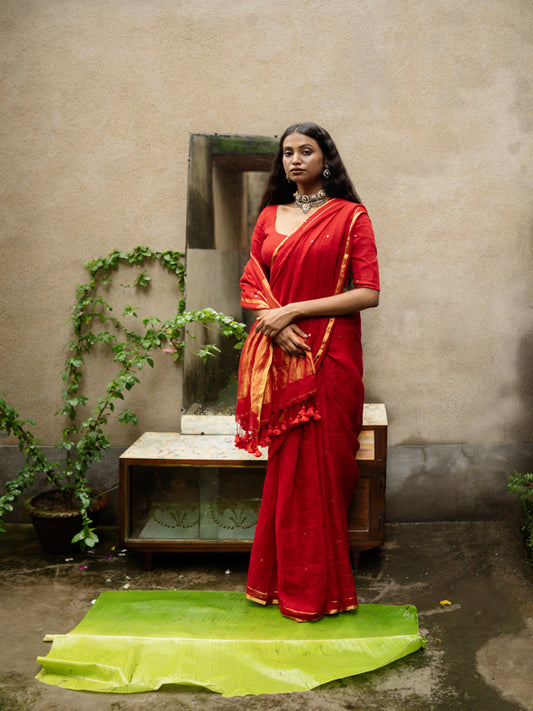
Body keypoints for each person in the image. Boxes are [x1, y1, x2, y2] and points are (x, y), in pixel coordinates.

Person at [234, 122, 380, 622]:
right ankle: (279, 584)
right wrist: (273, 326)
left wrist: (293, 310)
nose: (295, 159)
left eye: (306, 151)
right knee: (288, 468)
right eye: (288, 153)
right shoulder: (269, 216)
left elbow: (368, 293)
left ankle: (321, 586)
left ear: (326, 159)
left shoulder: (350, 217)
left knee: (326, 467)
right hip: (285, 356)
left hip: (333, 356)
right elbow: (254, 286)